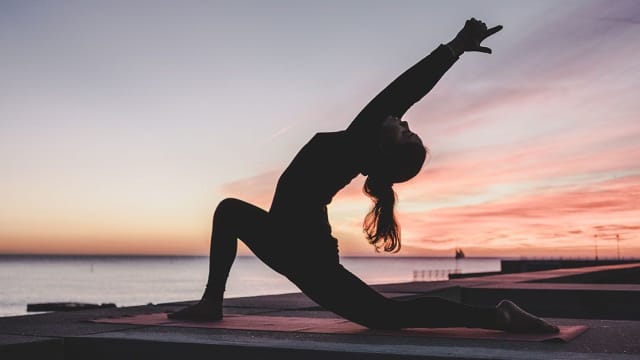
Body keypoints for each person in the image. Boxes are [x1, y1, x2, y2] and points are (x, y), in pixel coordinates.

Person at [169, 18, 559, 333]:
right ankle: (212, 302)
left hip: (304, 253)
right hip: (286, 239)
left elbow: (404, 90)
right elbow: (402, 98)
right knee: (229, 211)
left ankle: (496, 316)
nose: (402, 120)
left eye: (405, 131)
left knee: (387, 318)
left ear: (384, 150)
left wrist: (454, 48)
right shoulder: (358, 146)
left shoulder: (360, 142)